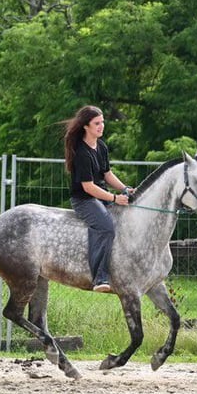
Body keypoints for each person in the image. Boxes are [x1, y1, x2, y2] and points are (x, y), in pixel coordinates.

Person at [63, 105, 134, 293]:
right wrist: (114, 198)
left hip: (100, 196)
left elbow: (107, 174)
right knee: (106, 227)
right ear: (86, 126)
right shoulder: (82, 152)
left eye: (102, 122)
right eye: (97, 123)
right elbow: (88, 187)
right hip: (84, 200)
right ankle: (99, 277)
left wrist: (125, 189)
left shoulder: (101, 146)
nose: (101, 126)